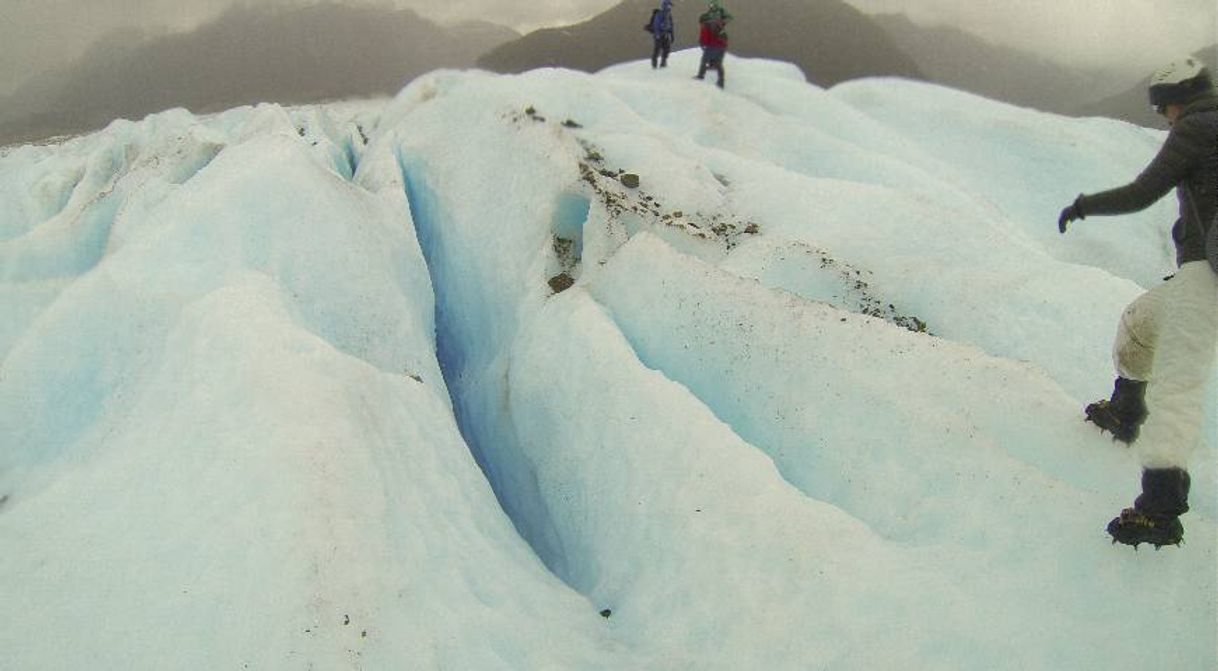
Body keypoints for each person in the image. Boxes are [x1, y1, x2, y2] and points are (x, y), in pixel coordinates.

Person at [1058, 56, 1218, 549]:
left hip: (1207, 275)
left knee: (1177, 390)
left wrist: (1084, 205)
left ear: (1171, 101)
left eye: (1160, 110)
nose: (1163, 118)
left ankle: (1160, 512)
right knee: (1140, 323)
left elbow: (1141, 192)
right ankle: (1125, 410)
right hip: (1199, 275)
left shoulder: (1195, 127)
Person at [695, 0, 732, 89]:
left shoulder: (706, 25)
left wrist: (702, 44)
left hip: (712, 46)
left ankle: (700, 76)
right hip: (722, 45)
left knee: (704, 60)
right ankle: (721, 81)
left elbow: (705, 38)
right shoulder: (717, 23)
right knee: (718, 64)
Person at [648, 0, 675, 69]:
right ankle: (654, 63)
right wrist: (657, 35)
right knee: (657, 49)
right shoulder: (659, 14)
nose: (670, 7)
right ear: (665, 5)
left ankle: (663, 61)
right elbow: (656, 25)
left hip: (665, 34)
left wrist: (672, 34)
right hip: (659, 34)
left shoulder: (669, 14)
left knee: (666, 48)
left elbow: (671, 25)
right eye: (669, 5)